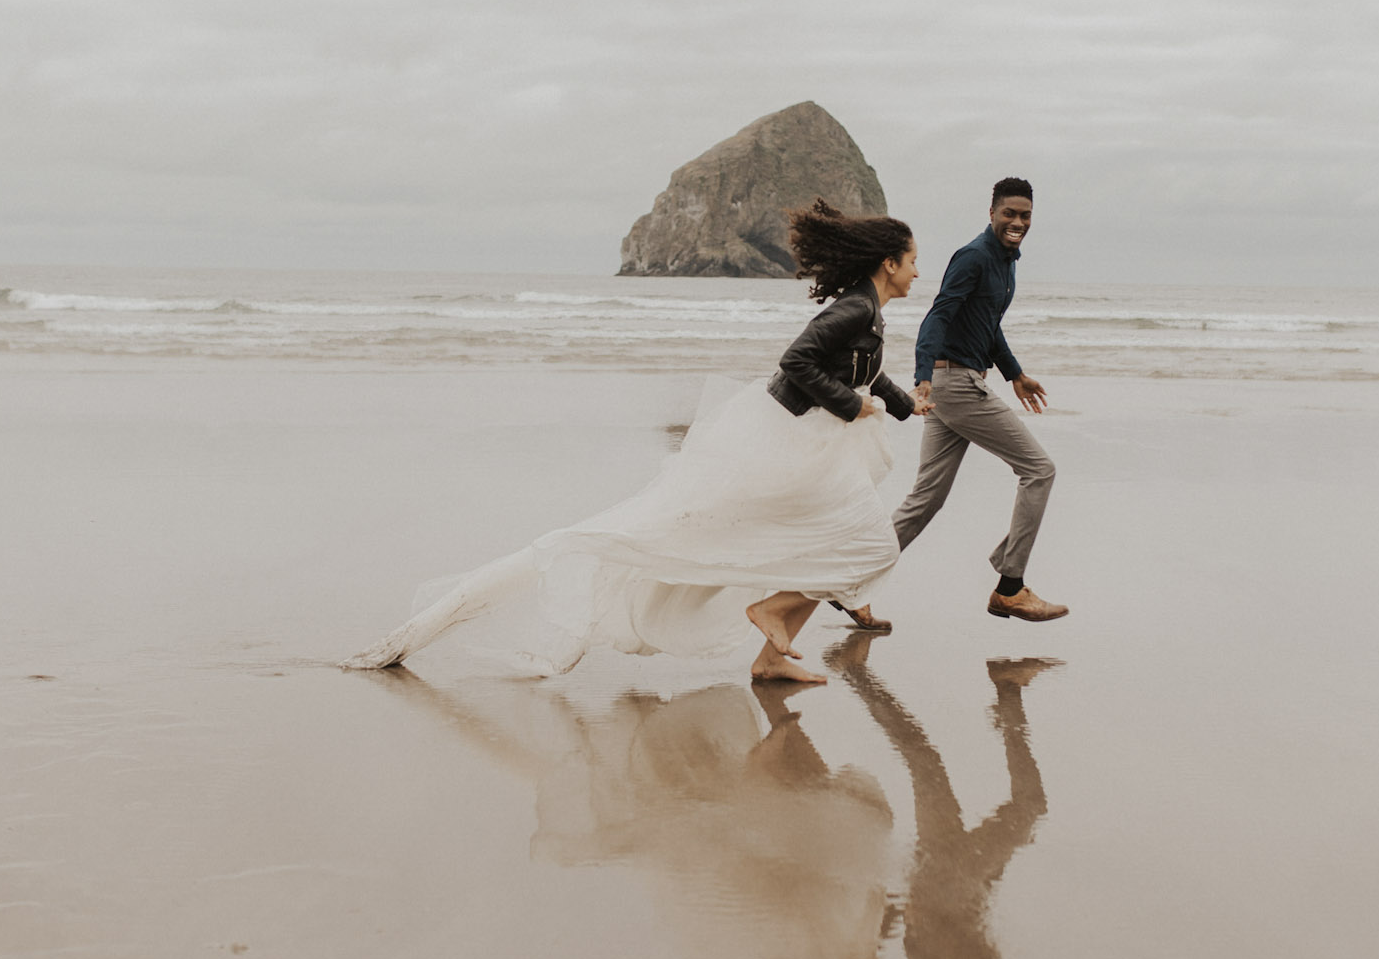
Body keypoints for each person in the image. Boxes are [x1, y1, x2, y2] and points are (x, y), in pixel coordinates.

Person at [344, 199, 921, 683]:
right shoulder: (853, 308)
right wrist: (853, 404)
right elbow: (797, 361)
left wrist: (900, 403)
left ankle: (772, 658)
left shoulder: (866, 311)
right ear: (889, 263)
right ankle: (770, 610)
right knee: (868, 548)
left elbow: (862, 371)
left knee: (828, 546)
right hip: (789, 448)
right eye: (914, 262)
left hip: (812, 450)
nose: (918, 273)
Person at [890, 177, 1067, 622]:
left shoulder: (1006, 261)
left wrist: (1015, 375)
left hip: (957, 384)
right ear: (991, 213)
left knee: (925, 499)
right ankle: (1010, 586)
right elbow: (940, 314)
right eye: (1009, 213)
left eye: (1025, 215)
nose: (1017, 222)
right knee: (1039, 470)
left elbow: (988, 324)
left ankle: (849, 580)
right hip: (957, 386)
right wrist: (922, 375)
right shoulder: (974, 257)